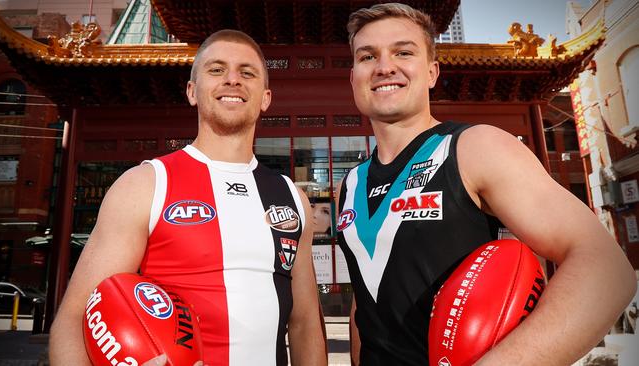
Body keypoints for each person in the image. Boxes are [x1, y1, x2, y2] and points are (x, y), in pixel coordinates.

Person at [335, 3, 637, 365]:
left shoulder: (475, 147)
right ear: (353, 76)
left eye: (403, 52)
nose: (385, 66)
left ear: (431, 72)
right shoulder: (350, 184)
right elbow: (365, 301)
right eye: (368, 56)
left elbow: (605, 267)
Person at [49, 29, 327, 366]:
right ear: (192, 92)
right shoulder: (145, 184)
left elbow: (305, 324)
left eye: (247, 72)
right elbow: (75, 317)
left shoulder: (292, 197)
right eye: (216, 70)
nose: (233, 80)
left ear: (265, 97)